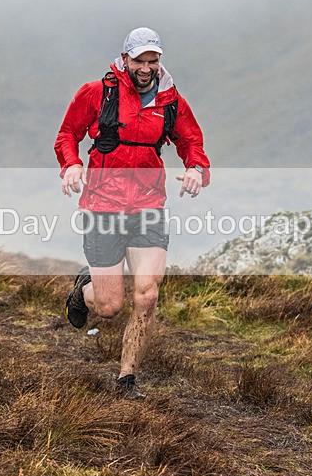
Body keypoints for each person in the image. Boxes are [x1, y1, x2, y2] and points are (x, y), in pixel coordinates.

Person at [54, 27, 210, 399]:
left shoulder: (171, 101)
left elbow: (192, 141)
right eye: (139, 60)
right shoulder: (96, 93)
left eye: (152, 60)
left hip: (148, 206)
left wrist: (194, 169)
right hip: (103, 206)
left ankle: (126, 380)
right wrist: (71, 165)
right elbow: (67, 135)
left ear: (159, 61)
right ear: (125, 59)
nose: (146, 67)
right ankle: (85, 290)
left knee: (147, 295)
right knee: (109, 307)